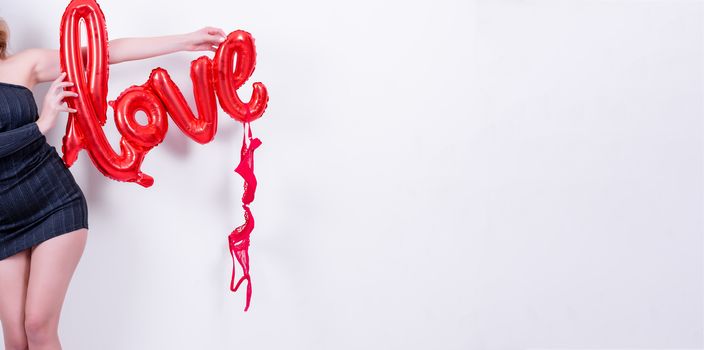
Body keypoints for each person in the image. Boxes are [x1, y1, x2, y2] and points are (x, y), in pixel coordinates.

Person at [0, 17, 226, 350]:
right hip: (5, 223)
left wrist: (182, 40)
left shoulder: (24, 64)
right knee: (16, 339)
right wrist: (41, 123)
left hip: (53, 204)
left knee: (37, 325)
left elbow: (102, 52)